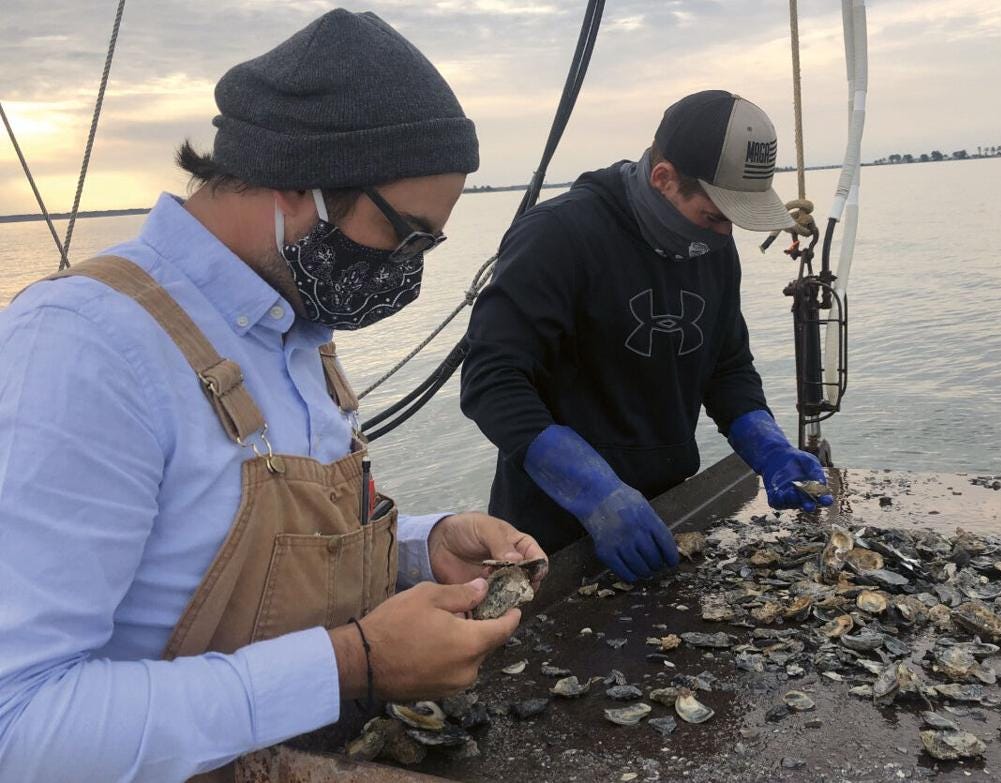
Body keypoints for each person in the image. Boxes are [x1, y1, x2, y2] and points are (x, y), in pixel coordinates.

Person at [0, 10, 544, 782]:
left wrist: (423, 547)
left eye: (431, 245)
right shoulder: (84, 347)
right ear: (297, 181)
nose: (410, 269)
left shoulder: (292, 327)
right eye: (404, 234)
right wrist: (354, 660)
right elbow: (19, 724)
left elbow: (219, 551)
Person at [460, 90, 834, 584]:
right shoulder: (558, 235)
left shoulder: (711, 245)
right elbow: (492, 380)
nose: (724, 236)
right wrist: (595, 494)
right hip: (548, 529)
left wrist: (768, 449)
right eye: (715, 215)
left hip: (666, 513)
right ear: (664, 179)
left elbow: (726, 366)